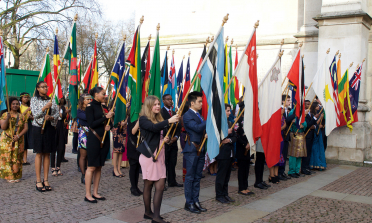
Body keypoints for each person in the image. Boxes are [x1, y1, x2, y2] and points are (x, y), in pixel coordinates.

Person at [138, 95, 179, 223]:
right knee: (149, 185)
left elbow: (158, 134)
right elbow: (153, 128)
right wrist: (168, 121)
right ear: (149, 106)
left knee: (159, 186)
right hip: (150, 157)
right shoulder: (143, 119)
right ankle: (151, 214)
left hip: (160, 155)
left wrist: (165, 139)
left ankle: (152, 214)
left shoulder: (158, 118)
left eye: (158, 104)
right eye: (155, 104)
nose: (157, 106)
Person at [84, 87, 114, 203]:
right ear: (96, 94)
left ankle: (96, 192)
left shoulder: (104, 107)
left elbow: (109, 123)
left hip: (104, 139)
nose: (105, 96)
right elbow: (91, 124)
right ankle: (88, 194)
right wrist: (104, 118)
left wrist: (109, 125)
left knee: (99, 166)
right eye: (103, 94)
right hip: (94, 138)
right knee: (91, 166)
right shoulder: (90, 107)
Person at [31, 81, 59, 192]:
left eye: (46, 87)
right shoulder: (34, 99)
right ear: (38, 88)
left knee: (47, 153)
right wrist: (44, 108)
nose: (45, 89)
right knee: (39, 153)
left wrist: (51, 118)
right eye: (43, 87)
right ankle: (38, 180)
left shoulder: (51, 99)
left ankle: (46, 179)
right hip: (38, 128)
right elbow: (35, 114)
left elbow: (57, 113)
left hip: (49, 128)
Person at [183, 91, 208, 214]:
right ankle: (189, 202)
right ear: (192, 103)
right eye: (199, 101)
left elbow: (201, 129)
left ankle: (196, 200)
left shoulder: (200, 116)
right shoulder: (187, 115)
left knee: (197, 177)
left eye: (201, 101)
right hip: (192, 149)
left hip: (200, 148)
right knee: (190, 177)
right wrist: (209, 121)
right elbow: (197, 128)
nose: (201, 104)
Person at [0, 97, 28, 183]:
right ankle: (9, 176)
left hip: (18, 140)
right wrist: (8, 118)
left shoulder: (22, 116)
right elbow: (3, 127)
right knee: (8, 158)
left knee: (17, 158)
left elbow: (26, 128)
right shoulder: (4, 115)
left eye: (17, 104)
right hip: (7, 140)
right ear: (9, 105)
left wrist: (18, 136)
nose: (15, 106)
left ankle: (16, 175)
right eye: (13, 104)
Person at [215, 104, 237, 203]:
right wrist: (224, 134)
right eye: (227, 111)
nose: (229, 113)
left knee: (227, 175)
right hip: (222, 153)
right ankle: (219, 195)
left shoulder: (229, 122)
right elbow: (214, 136)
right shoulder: (218, 123)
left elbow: (235, 136)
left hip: (230, 152)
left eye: (229, 110)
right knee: (221, 175)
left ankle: (225, 194)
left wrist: (229, 140)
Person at [161, 94, 182, 188]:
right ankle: (162, 183)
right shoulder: (160, 113)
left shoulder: (174, 113)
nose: (170, 101)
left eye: (171, 99)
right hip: (164, 142)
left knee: (173, 163)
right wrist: (168, 137)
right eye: (168, 99)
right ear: (163, 101)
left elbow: (179, 127)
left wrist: (176, 137)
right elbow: (162, 126)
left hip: (173, 142)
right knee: (164, 163)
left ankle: (172, 181)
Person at [235, 103, 254, 195]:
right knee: (242, 169)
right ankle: (241, 188)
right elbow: (237, 136)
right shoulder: (238, 121)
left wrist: (250, 143)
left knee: (247, 169)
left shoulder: (249, 121)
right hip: (242, 148)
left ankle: (246, 187)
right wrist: (244, 144)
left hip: (249, 146)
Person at [287, 109, 307, 179]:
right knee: (293, 154)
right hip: (294, 134)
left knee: (300, 154)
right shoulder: (293, 111)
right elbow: (290, 121)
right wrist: (298, 124)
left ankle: (297, 170)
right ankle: (291, 171)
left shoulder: (302, 111)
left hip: (301, 134)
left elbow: (305, 123)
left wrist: (303, 125)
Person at [50, 97, 68, 176]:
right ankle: (53, 167)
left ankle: (58, 166)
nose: (60, 99)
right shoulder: (52, 107)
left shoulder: (63, 107)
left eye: (61, 98)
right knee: (53, 148)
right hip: (53, 127)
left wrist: (60, 112)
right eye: (58, 98)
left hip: (61, 127)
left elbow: (63, 116)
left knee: (60, 147)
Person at [302, 101, 320, 175]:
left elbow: (315, 124)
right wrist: (315, 118)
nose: (309, 106)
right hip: (307, 135)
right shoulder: (304, 114)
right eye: (307, 104)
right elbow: (308, 124)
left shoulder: (311, 114)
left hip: (311, 135)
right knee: (306, 153)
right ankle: (303, 168)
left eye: (309, 104)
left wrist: (315, 126)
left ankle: (307, 167)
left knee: (309, 152)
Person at [127, 109, 142, 196]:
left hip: (140, 145)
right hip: (133, 145)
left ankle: (136, 186)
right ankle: (133, 187)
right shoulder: (132, 118)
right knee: (133, 166)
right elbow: (133, 131)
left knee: (137, 167)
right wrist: (139, 121)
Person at [278, 95, 293, 181]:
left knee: (284, 154)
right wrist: (294, 115)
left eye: (289, 100)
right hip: (281, 135)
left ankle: (282, 171)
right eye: (287, 100)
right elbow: (285, 121)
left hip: (286, 135)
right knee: (281, 154)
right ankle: (279, 172)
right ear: (283, 101)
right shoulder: (281, 110)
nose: (289, 102)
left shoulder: (286, 110)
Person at [77, 94, 91, 184]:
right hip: (84, 133)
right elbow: (88, 118)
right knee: (83, 155)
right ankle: (83, 174)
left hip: (92, 132)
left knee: (90, 155)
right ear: (82, 101)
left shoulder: (91, 109)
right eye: (87, 99)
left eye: (90, 99)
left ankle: (89, 174)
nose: (89, 101)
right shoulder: (80, 111)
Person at [20, 92, 33, 165]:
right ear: (21, 98)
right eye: (24, 97)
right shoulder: (19, 106)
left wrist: (30, 117)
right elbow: (19, 116)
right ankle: (20, 159)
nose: (26, 99)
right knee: (22, 142)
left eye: (27, 97)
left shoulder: (30, 106)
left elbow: (33, 117)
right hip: (21, 125)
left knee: (26, 142)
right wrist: (26, 111)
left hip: (28, 124)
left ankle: (25, 159)